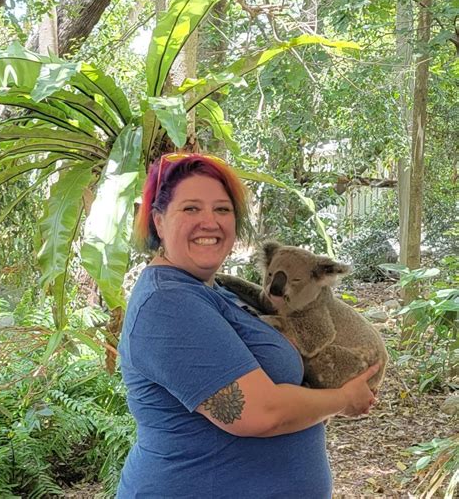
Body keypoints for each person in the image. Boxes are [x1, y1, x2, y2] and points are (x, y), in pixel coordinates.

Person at [117, 152, 378, 498]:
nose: (209, 221)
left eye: (222, 209)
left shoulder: (217, 289)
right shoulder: (167, 303)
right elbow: (258, 413)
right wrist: (342, 399)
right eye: (191, 208)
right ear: (159, 221)